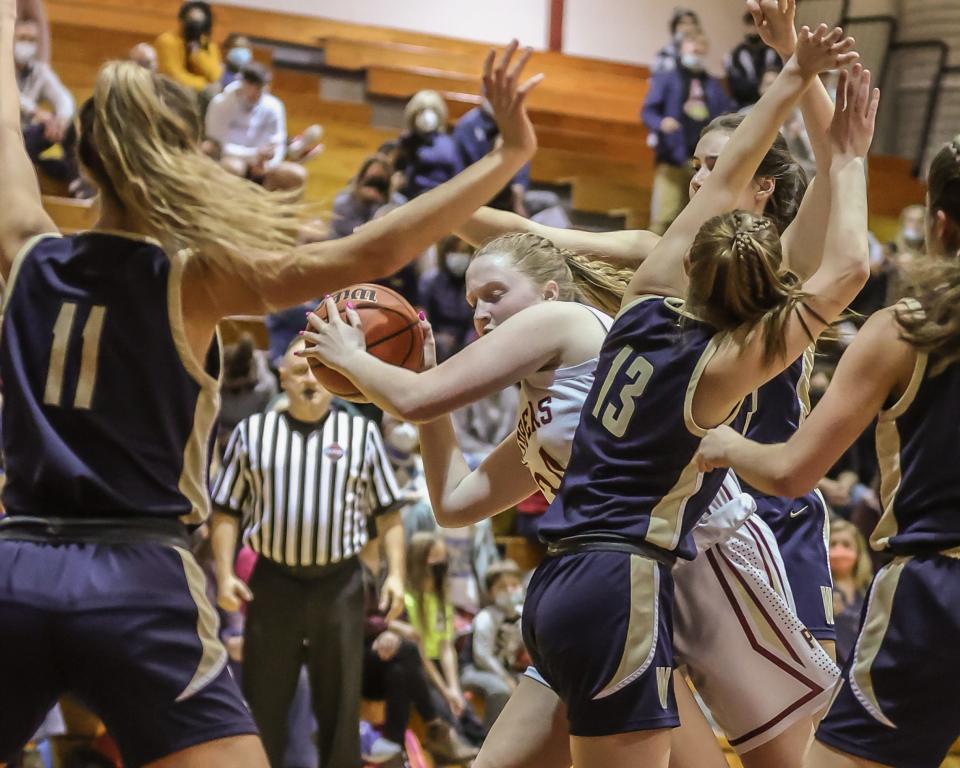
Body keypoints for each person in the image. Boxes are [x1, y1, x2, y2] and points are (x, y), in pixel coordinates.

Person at [0, 21, 542, 767]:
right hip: (135, 576)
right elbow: (375, 252)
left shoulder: (24, 247)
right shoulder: (192, 280)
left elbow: (3, 125)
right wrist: (509, 155)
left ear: (83, 154)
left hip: (17, 567)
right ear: (181, 162)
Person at [520, 29, 870, 767]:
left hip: (692, 533)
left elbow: (763, 195)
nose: (703, 179)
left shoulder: (651, 298)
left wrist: (795, 76)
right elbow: (850, 262)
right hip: (659, 547)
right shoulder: (732, 355)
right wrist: (841, 137)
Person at [695, 134, 960, 768]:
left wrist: (728, 443)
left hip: (936, 590)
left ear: (941, 224)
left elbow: (790, 472)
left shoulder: (905, 328)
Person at [210, 338, 406, 768]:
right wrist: (225, 574)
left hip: (340, 582)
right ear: (281, 376)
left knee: (339, 705)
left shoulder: (361, 433)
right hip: (273, 581)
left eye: (318, 372)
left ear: (336, 379)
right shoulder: (251, 433)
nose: (309, 381)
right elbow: (225, 510)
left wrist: (395, 576)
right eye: (299, 371)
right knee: (265, 703)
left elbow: (388, 514)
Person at [642, 29, 735, 234]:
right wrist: (661, 122)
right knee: (663, 219)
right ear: (682, 48)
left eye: (702, 50)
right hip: (672, 158)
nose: (697, 53)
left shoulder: (712, 84)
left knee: (696, 222)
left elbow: (724, 115)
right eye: (693, 48)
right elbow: (648, 111)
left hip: (703, 164)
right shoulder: (667, 78)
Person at [204, 62, 306, 193]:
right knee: (233, 167)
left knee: (296, 174)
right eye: (251, 86)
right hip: (230, 158)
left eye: (259, 88)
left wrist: (267, 164)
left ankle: (273, 211)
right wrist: (253, 156)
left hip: (262, 163)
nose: (255, 92)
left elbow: (277, 143)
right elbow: (219, 144)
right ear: (243, 83)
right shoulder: (221, 104)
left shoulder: (274, 106)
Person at [461, 560, 526, 731]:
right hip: (475, 670)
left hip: (507, 669)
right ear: (490, 592)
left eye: (514, 584)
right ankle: (488, 740)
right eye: (502, 587)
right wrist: (506, 678)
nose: (510, 590)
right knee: (501, 690)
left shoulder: (523, 614)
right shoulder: (486, 618)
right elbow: (482, 656)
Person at [14, 18, 78, 187]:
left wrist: (61, 120)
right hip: (5, 136)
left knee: (70, 129)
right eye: (22, 38)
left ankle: (78, 184)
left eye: (32, 40)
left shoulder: (39, 70)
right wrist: (36, 111)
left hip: (25, 138)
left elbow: (64, 98)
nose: (26, 44)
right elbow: (8, 95)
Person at [452, 102, 531, 214]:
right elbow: (463, 171)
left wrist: (519, 188)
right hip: (477, 192)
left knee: (549, 202)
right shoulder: (467, 125)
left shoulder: (514, 123)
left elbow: (522, 161)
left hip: (508, 192)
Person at [397, 90, 463, 199]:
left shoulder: (448, 144)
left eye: (432, 110)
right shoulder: (407, 142)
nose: (427, 116)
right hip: (412, 199)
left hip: (442, 198)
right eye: (421, 111)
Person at [419, 235, 476, 361]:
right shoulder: (430, 281)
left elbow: (476, 320)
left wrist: (469, 340)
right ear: (444, 254)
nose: (458, 257)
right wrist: (436, 337)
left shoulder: (474, 282)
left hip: (467, 344)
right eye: (454, 252)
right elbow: (421, 318)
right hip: (438, 342)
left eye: (463, 252)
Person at [827, 518, 872, 667]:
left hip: (866, 664)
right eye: (833, 544)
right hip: (835, 667)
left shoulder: (869, 586)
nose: (839, 551)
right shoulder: (821, 588)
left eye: (846, 545)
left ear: (858, 551)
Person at [330, 153, 406, 239]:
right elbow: (352, 233)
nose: (373, 189)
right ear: (361, 178)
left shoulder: (398, 203)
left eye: (379, 181)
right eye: (371, 179)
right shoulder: (343, 200)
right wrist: (362, 202)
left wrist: (379, 204)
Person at [155, 0, 223, 94]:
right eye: (191, 22)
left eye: (198, 23)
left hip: (201, 95)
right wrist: (203, 86)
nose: (194, 27)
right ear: (181, 20)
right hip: (173, 92)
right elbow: (172, 76)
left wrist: (196, 54)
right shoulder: (167, 40)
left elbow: (215, 75)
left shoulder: (207, 43)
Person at [726, 10, 782, 109]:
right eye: (750, 25)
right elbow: (737, 86)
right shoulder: (735, 55)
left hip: (774, 99)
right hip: (747, 103)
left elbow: (780, 76)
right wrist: (760, 88)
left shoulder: (774, 50)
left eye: (756, 24)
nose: (753, 29)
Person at [652, 8, 701, 74]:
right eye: (683, 23)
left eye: (692, 23)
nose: (688, 27)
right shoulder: (665, 55)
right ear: (675, 27)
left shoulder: (696, 52)